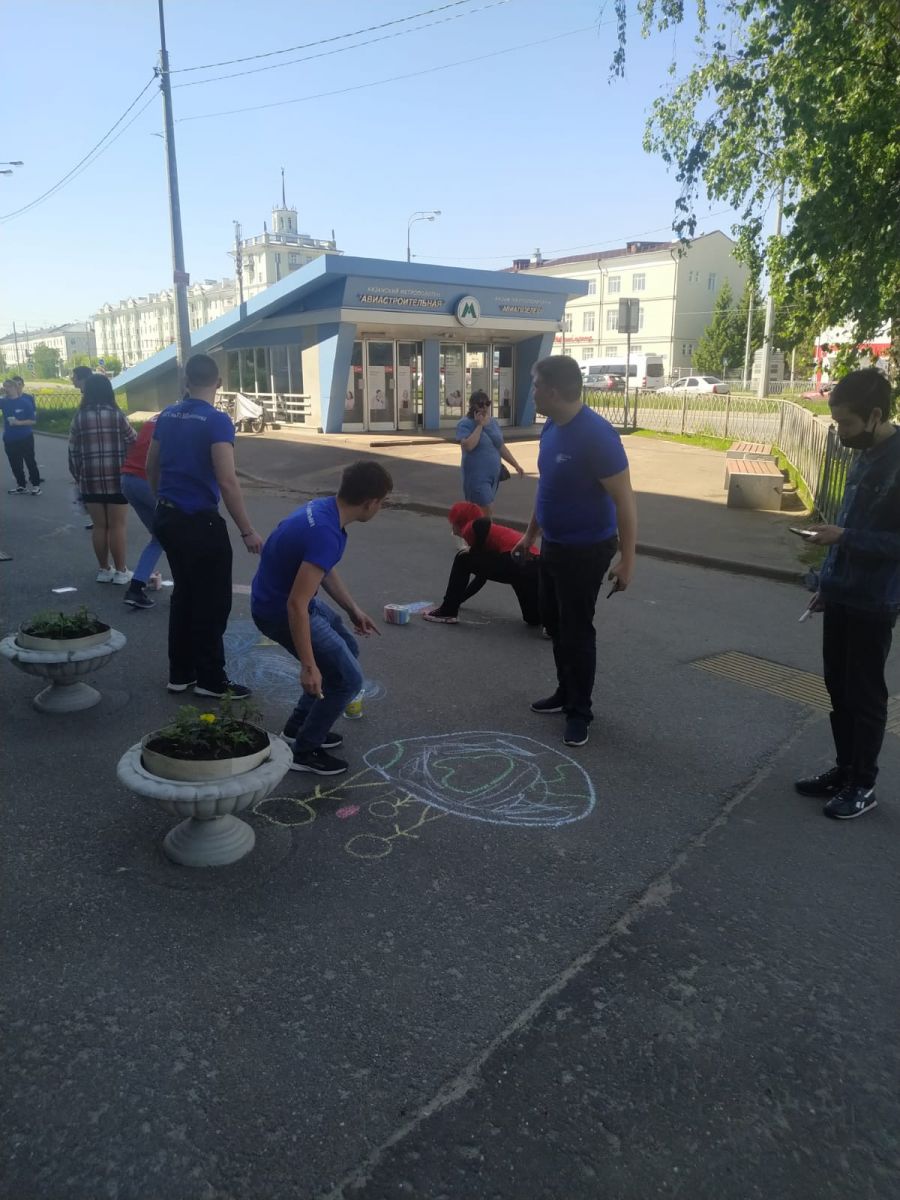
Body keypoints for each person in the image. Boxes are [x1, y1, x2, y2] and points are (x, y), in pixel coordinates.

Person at [512, 355, 637, 748]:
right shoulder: (551, 426)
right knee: (553, 622)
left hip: (587, 549)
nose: (532, 392)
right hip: (554, 543)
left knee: (577, 630)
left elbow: (625, 500)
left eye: (535, 385)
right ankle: (564, 691)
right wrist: (530, 534)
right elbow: (547, 487)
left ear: (552, 391)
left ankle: (579, 712)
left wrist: (628, 560)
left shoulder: (597, 435)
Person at [795, 369, 900, 820]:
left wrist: (845, 538)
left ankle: (863, 784)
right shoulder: (865, 453)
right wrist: (827, 583)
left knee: (865, 695)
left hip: (874, 600)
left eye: (847, 423)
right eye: (836, 422)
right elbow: (847, 524)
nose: (840, 432)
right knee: (837, 687)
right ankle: (844, 770)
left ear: (875, 415)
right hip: (842, 592)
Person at [251, 460, 392, 776]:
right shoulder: (326, 533)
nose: (380, 508)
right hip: (279, 611)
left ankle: (298, 727)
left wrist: (352, 609)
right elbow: (296, 605)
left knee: (347, 648)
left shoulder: (324, 509)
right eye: (382, 502)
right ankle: (305, 751)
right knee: (348, 680)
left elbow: (322, 569)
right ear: (370, 502)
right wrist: (308, 665)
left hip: (277, 600)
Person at [146, 353, 262, 698]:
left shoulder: (166, 416)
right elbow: (227, 480)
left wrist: (161, 500)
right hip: (199, 521)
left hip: (168, 516)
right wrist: (247, 530)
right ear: (219, 383)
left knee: (185, 594)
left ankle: (180, 673)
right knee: (212, 602)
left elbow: (151, 466)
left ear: (186, 381)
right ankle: (211, 680)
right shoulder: (216, 420)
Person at [423, 501, 540, 626]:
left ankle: (447, 611)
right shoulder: (487, 536)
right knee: (533, 618)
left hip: (516, 559)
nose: (452, 527)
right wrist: (459, 599)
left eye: (452, 523)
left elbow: (483, 522)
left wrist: (474, 550)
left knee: (462, 558)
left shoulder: (470, 528)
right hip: (533, 565)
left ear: (458, 521)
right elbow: (482, 576)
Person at [68, 374, 136, 583]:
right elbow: (134, 440)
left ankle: (104, 570)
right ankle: (121, 571)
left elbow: (73, 451)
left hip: (90, 480)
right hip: (117, 478)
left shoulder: (79, 418)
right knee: (117, 526)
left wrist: (78, 476)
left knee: (99, 526)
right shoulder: (117, 415)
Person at [120, 413, 165, 609]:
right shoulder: (181, 421)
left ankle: (136, 588)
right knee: (180, 535)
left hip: (128, 480)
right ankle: (187, 590)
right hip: (149, 482)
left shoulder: (156, 418)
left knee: (160, 537)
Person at [455, 390, 524, 516]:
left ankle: (474, 528)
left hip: (493, 476)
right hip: (476, 476)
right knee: (486, 509)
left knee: (483, 511)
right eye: (481, 404)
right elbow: (468, 446)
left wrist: (516, 465)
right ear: (472, 406)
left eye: (487, 403)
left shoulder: (493, 422)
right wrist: (480, 425)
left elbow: (500, 446)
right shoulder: (465, 423)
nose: (485, 407)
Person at [2, 376, 41, 495]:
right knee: (15, 463)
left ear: (15, 388)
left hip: (25, 437)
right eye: (4, 387)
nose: (6, 389)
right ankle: (21, 485)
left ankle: (36, 486)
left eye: (8, 387)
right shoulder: (3, 402)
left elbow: (33, 420)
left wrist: (19, 423)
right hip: (9, 438)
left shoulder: (25, 402)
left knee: (30, 461)